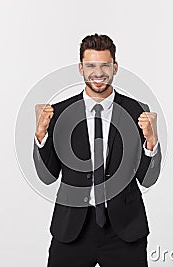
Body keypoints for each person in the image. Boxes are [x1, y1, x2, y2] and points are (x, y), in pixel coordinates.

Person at [33, 33, 162, 267]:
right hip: (72, 229)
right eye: (91, 65)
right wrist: (41, 135)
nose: (98, 72)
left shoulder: (138, 112)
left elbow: (148, 178)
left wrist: (151, 142)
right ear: (81, 68)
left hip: (124, 231)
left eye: (104, 65)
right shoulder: (60, 113)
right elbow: (47, 176)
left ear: (115, 67)